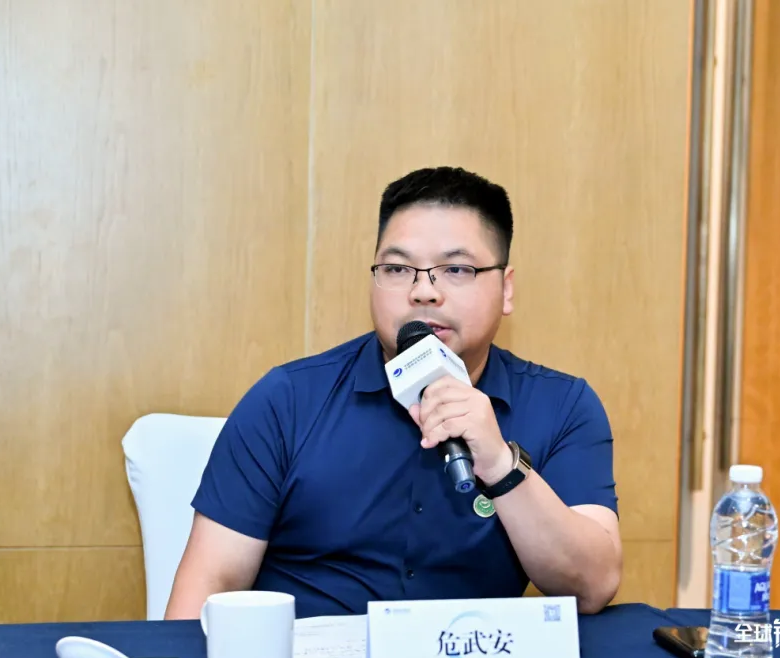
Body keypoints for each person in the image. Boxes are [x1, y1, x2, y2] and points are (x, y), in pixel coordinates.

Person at [165, 166, 622, 620]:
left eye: (456, 269)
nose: (423, 292)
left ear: (505, 289)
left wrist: (501, 464)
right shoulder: (286, 401)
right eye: (398, 269)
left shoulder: (563, 407)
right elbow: (207, 588)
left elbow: (592, 587)